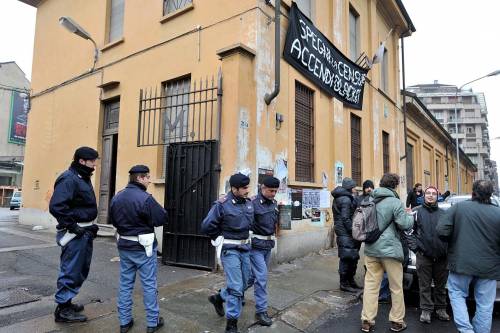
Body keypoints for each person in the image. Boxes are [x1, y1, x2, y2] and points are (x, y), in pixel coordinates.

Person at [109, 165, 167, 333]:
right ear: (140, 178)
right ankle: (152, 322)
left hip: (125, 246)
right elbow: (161, 218)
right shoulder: (145, 198)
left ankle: (124, 322)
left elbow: (113, 220)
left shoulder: (117, 197)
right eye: (147, 177)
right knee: (149, 284)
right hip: (144, 248)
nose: (149, 180)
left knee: (125, 284)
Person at [437, 180, 500, 333]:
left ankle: (466, 330)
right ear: (491, 195)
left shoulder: (458, 208)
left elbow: (441, 230)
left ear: (473, 193)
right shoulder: (498, 212)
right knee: (485, 305)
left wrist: (454, 240)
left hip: (461, 263)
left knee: (457, 295)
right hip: (489, 267)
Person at [49, 147, 100, 323]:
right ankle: (62, 310)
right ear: (82, 161)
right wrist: (73, 226)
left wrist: (90, 226)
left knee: (79, 270)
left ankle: (67, 302)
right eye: (92, 161)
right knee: (71, 270)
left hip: (83, 232)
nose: (95, 164)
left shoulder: (83, 177)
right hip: (74, 233)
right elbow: (57, 207)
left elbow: (80, 206)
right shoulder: (69, 178)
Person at [360, 173, 414, 332]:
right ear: (395, 185)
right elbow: (404, 224)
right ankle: (397, 321)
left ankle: (367, 320)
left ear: (381, 184)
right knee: (396, 287)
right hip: (390, 251)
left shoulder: (369, 199)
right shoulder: (395, 202)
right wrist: (409, 215)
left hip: (371, 249)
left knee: (370, 286)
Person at [202, 173, 253, 333]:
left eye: (247, 187)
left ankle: (218, 298)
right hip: (230, 250)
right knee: (236, 287)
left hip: (245, 249)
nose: (247, 190)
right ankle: (232, 323)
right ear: (234, 188)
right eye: (244, 188)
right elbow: (207, 225)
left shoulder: (248, 203)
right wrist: (217, 238)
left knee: (247, 282)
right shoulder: (222, 204)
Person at [407, 186, 449, 324]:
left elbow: (450, 233)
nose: (431, 196)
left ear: (438, 196)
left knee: (440, 286)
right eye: (428, 193)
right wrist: (416, 248)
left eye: (434, 194)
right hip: (423, 255)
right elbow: (408, 232)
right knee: (424, 285)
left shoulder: (444, 213)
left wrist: (446, 249)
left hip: (442, 257)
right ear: (424, 196)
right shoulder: (416, 212)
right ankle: (426, 310)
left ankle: (441, 309)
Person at [246, 176, 280, 326]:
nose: (273, 194)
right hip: (255, 247)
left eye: (275, 191)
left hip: (267, 246)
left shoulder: (274, 203)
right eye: (271, 190)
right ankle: (261, 311)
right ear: (262, 188)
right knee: (261, 278)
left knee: (251, 278)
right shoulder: (252, 203)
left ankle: (222, 296)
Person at [331, 178, 362, 293]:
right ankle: (344, 283)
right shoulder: (345, 200)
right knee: (347, 257)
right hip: (345, 232)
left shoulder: (343, 197)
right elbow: (345, 218)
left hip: (343, 231)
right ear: (350, 187)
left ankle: (350, 281)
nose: (355, 188)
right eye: (354, 186)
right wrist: (352, 230)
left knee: (351, 256)